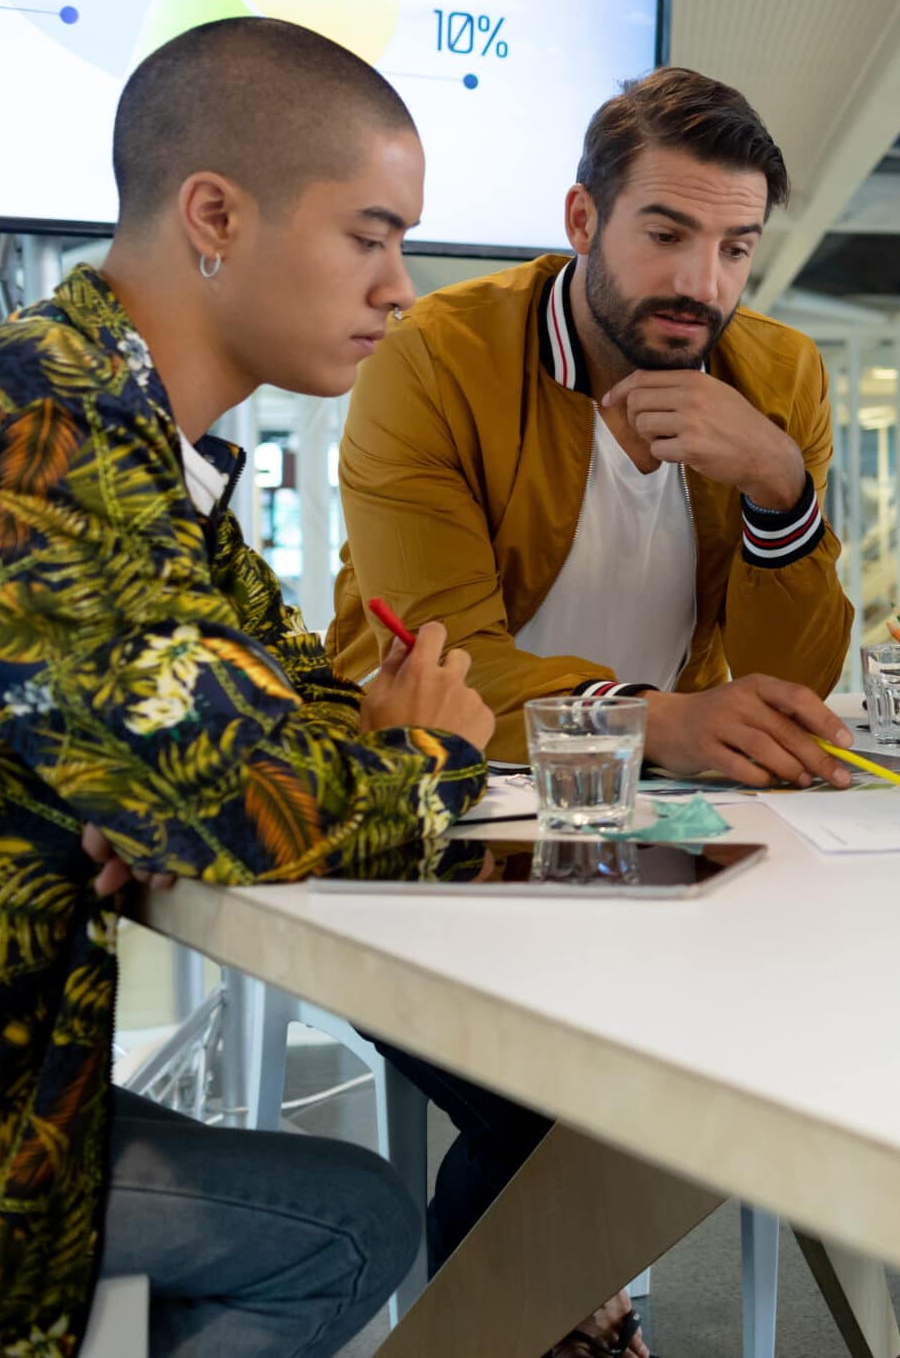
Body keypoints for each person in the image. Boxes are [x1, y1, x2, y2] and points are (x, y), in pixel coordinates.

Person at [0, 17, 496, 1357]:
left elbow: (269, 717)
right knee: (351, 1226)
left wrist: (143, 791)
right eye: (371, 234)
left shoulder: (139, 450)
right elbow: (248, 802)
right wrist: (435, 759)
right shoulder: (29, 421)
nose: (399, 286)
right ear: (217, 214)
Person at [322, 66, 858, 1338]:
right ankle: (571, 1321)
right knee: (566, 1093)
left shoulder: (777, 376)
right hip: (427, 818)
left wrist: (783, 491)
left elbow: (802, 673)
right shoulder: (436, 360)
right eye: (666, 234)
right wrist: (657, 717)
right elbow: (446, 657)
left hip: (639, 836)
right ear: (581, 221)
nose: (704, 284)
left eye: (735, 248)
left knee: (762, 1037)